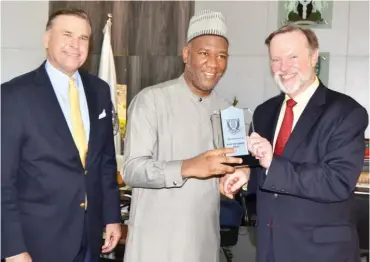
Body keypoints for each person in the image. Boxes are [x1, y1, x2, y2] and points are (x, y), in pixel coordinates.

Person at [223, 24, 369, 262]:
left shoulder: (346, 112)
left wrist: (272, 162)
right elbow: (266, 174)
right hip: (269, 249)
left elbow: (338, 181)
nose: (283, 68)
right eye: (276, 59)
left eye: (293, 57)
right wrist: (248, 176)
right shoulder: (264, 112)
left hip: (322, 253)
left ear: (313, 58)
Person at [122, 10, 248, 262]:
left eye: (221, 56)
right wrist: (189, 166)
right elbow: (132, 170)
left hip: (204, 243)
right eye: (204, 53)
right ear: (186, 54)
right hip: (155, 246)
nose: (214, 64)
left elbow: (236, 167)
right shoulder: (151, 100)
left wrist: (238, 176)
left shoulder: (229, 113)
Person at [1, 8, 121, 262]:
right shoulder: (13, 96)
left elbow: (104, 162)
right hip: (37, 243)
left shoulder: (100, 91)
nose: (75, 45)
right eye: (67, 34)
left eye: (83, 38)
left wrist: (111, 217)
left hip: (89, 237)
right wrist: (11, 248)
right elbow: (3, 180)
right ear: (47, 39)